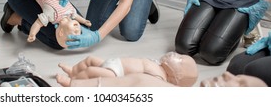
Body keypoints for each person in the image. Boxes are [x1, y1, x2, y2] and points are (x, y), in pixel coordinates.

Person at [56, 51, 198, 87]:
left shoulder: (159, 78)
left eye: (179, 59)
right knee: (90, 60)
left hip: (116, 74)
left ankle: (73, 84)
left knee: (91, 72)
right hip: (114, 63)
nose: (175, 55)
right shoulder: (159, 65)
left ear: (176, 76)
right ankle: (74, 71)